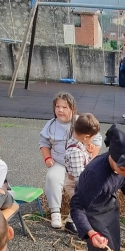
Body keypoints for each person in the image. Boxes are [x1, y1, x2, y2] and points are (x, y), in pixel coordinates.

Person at [39, 92, 78, 229]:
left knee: (81, 185)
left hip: (78, 163)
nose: (60, 110)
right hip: (59, 161)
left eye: (64, 107)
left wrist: (92, 152)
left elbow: (96, 139)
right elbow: (43, 142)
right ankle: (55, 212)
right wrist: (47, 157)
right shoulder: (50, 124)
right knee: (52, 177)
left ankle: (75, 215)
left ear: (72, 108)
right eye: (57, 106)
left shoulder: (80, 122)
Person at [63, 113, 102, 234]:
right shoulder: (75, 152)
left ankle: (75, 221)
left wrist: (89, 153)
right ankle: (72, 223)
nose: (93, 141)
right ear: (85, 137)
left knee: (82, 204)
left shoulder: (79, 144)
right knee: (81, 203)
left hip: (78, 182)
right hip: (75, 184)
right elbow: (79, 176)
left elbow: (84, 163)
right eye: (92, 138)